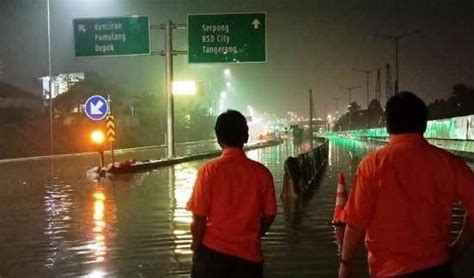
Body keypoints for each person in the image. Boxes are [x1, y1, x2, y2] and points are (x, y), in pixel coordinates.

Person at [339, 92, 474, 277]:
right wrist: (458, 246)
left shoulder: (372, 165)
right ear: (424, 124)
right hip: (439, 268)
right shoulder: (449, 163)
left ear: (388, 125)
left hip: (389, 271)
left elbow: (355, 223)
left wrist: (346, 263)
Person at [187, 109, 277, 278]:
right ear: (246, 136)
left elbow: (198, 217)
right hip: (249, 258)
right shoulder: (261, 173)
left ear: (218, 138)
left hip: (212, 256)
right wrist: (254, 234)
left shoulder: (209, 171)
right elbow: (270, 214)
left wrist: (196, 248)